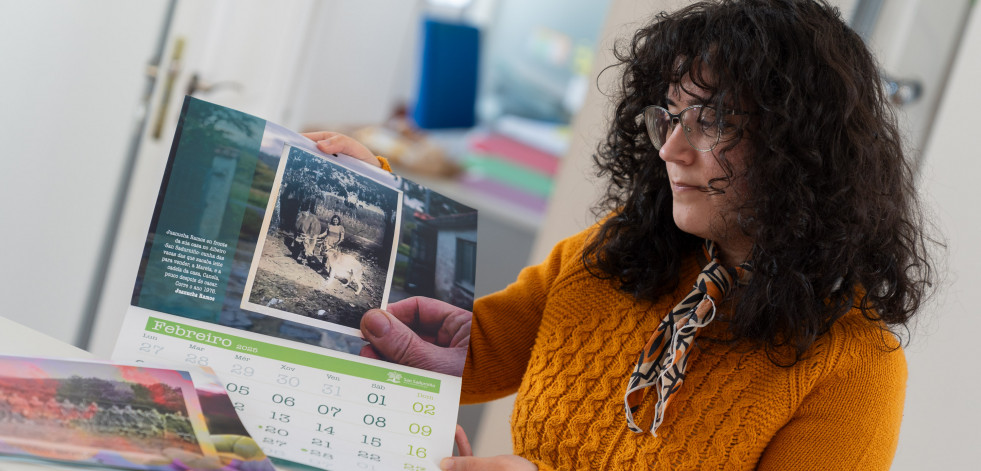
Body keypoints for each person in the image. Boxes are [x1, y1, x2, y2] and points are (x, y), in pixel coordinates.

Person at [306, 0, 935, 469]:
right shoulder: (609, 253)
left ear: (802, 145)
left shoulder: (857, 366)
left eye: (714, 120)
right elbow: (476, 351)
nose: (674, 149)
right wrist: (375, 203)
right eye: (670, 116)